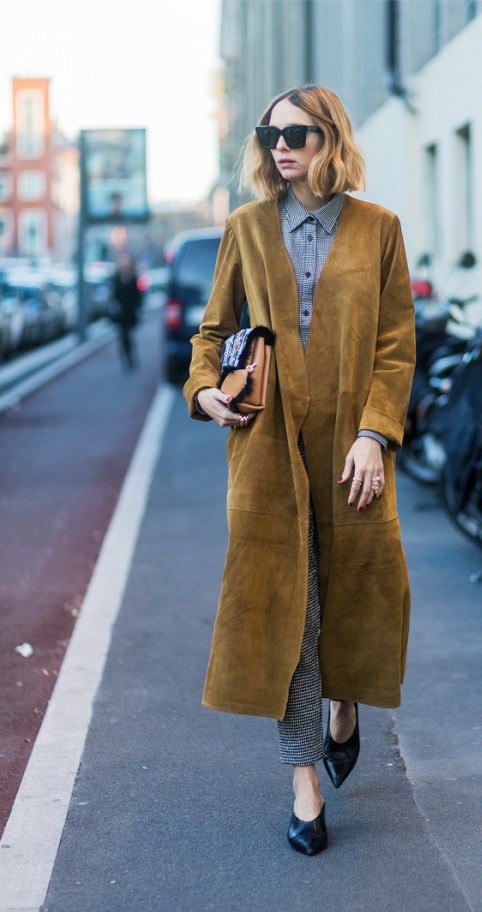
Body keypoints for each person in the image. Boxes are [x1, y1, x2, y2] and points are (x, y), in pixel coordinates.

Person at [183, 84, 416, 856]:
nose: (281, 145)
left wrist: (375, 434)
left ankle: (344, 706)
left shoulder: (380, 229)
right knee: (292, 615)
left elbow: (395, 345)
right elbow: (212, 331)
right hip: (266, 449)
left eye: (298, 133)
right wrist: (207, 388)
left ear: (330, 140)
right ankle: (304, 781)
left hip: (349, 449)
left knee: (353, 598)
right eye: (270, 132)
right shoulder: (247, 228)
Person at [111, 252, 142, 370]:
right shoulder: (116, 278)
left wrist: (137, 307)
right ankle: (126, 360)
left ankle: (131, 359)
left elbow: (137, 295)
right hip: (121, 314)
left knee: (129, 336)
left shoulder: (133, 278)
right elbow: (114, 294)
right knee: (123, 337)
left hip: (130, 313)